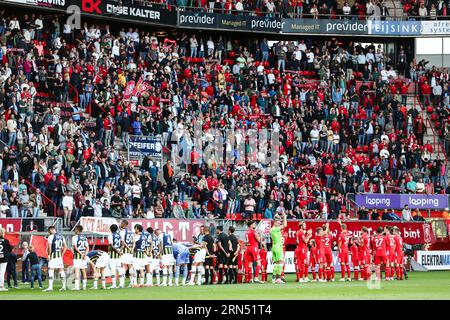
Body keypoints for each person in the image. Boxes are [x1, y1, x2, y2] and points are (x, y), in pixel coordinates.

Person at [43, 226, 67, 292]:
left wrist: (49, 255)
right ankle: (64, 286)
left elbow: (50, 247)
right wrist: (62, 254)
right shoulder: (62, 236)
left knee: (51, 270)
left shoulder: (51, 237)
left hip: (53, 256)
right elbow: (65, 247)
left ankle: (50, 287)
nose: (48, 233)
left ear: (51, 230)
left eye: (48, 231)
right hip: (59, 256)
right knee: (61, 270)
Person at [270, 210, 287, 284]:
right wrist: (284, 216)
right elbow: (285, 225)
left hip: (274, 247)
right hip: (278, 247)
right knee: (281, 262)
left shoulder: (272, 229)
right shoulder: (275, 229)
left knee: (276, 263)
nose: (280, 223)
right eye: (278, 221)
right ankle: (279, 278)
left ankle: (274, 278)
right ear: (275, 222)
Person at [71, 225, 89, 290]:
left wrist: (81, 254)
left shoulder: (74, 237)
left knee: (77, 271)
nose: (74, 230)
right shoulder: (84, 237)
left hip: (77, 257)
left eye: (75, 229)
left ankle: (77, 287)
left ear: (77, 230)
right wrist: (85, 254)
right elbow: (87, 248)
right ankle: (84, 287)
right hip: (84, 256)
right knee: (84, 271)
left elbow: (75, 247)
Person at [108, 224, 124, 289]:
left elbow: (111, 245)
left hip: (113, 255)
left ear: (110, 229)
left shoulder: (111, 235)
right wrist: (120, 250)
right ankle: (121, 284)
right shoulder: (119, 235)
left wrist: (117, 251)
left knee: (113, 269)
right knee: (119, 269)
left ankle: (114, 284)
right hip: (119, 255)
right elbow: (123, 244)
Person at [119, 219, 134, 287]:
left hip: (125, 251)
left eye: (120, 222)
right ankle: (131, 282)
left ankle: (122, 283)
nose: (119, 223)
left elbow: (123, 242)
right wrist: (132, 249)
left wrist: (127, 248)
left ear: (124, 224)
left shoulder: (122, 232)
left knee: (122, 265)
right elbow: (133, 241)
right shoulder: (131, 232)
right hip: (130, 251)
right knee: (130, 266)